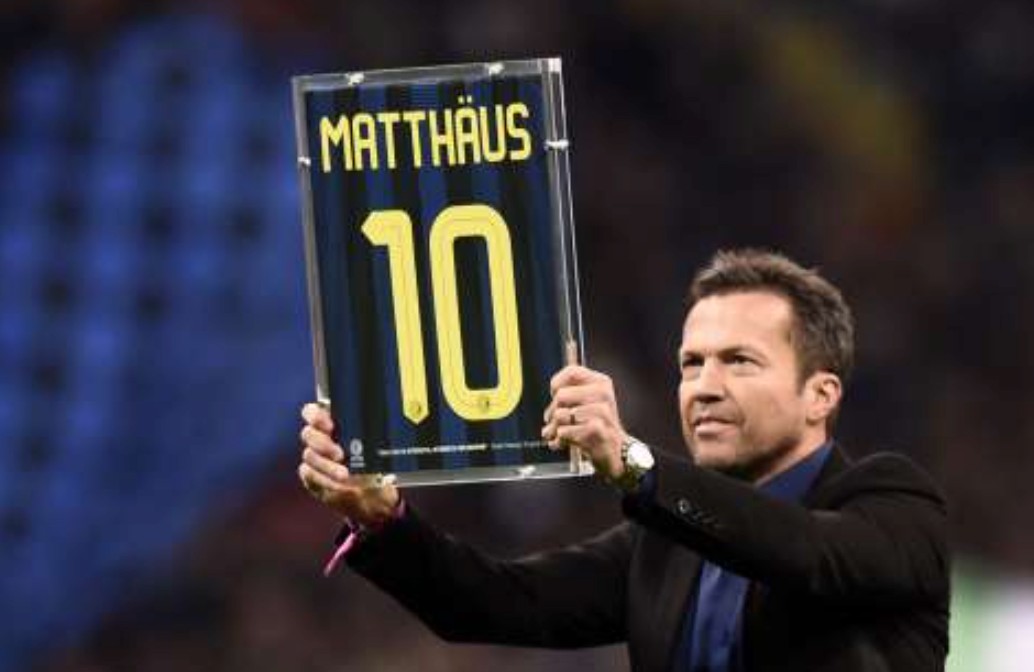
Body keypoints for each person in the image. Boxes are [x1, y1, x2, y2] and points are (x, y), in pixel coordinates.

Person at [297, 249, 950, 672]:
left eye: (739, 361)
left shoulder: (895, 505)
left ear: (820, 395)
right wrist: (383, 519)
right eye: (691, 364)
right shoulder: (664, 547)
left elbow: (803, 551)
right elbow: (497, 603)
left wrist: (634, 464)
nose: (703, 387)